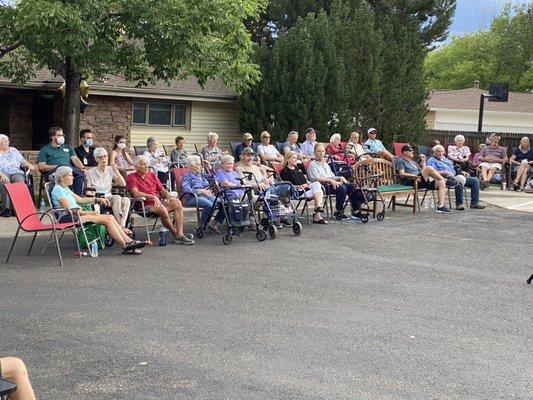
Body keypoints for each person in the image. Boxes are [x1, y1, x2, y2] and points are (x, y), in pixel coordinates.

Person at [50, 166, 147, 254]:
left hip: (77, 215)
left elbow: (81, 199)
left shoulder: (66, 189)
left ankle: (129, 242)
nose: (73, 177)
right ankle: (126, 245)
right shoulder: (58, 189)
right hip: (69, 217)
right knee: (107, 219)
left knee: (110, 217)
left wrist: (97, 199)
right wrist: (90, 212)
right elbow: (70, 210)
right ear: (62, 178)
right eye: (70, 175)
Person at [126, 155, 194, 245]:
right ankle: (175, 234)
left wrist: (168, 195)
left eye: (147, 164)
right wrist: (152, 196)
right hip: (145, 205)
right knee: (162, 210)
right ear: (136, 167)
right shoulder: (131, 177)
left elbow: (161, 190)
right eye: (143, 164)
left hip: (159, 203)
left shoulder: (152, 175)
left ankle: (180, 234)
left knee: (177, 203)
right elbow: (136, 193)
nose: (147, 166)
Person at [307, 144, 362, 220]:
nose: (321, 153)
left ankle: (355, 211)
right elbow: (316, 179)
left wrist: (339, 177)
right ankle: (338, 211)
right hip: (321, 186)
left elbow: (332, 176)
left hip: (332, 183)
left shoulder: (325, 164)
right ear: (314, 152)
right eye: (319, 151)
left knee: (353, 186)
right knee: (341, 188)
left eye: (323, 151)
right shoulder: (312, 165)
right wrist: (330, 180)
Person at [395, 144, 451, 213]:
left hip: (420, 181)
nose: (412, 152)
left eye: (413, 150)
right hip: (410, 181)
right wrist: (414, 176)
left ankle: (441, 207)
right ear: (404, 152)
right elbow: (402, 174)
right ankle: (443, 179)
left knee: (441, 183)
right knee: (430, 169)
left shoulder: (413, 162)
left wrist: (423, 161)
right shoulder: (401, 161)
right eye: (410, 150)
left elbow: (423, 172)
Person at [85, 147, 132, 230]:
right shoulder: (90, 172)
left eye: (105, 156)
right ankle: (121, 228)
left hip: (109, 197)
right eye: (101, 157)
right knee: (117, 197)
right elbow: (88, 191)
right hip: (99, 198)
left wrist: (116, 170)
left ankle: (121, 226)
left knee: (126, 200)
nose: (104, 159)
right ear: (96, 159)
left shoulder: (110, 169)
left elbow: (123, 184)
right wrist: (95, 198)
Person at [427, 145, 485, 210]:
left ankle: (474, 203)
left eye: (441, 151)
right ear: (434, 152)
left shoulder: (447, 160)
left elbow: (454, 169)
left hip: (454, 176)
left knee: (474, 180)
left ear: (444, 152)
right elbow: (432, 172)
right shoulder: (431, 160)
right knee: (458, 180)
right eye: (438, 151)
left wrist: (462, 172)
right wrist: (444, 173)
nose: (440, 153)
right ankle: (459, 204)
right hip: (442, 179)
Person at [280, 151, 327, 224]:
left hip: (306, 189)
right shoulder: (285, 171)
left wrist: (309, 183)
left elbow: (305, 180)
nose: (296, 159)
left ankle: (318, 207)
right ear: (288, 159)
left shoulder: (297, 168)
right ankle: (317, 214)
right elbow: (287, 186)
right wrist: (301, 186)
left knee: (317, 184)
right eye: (294, 158)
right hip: (298, 191)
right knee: (318, 191)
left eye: (296, 158)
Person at [37, 126, 86, 195]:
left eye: (62, 135)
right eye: (59, 135)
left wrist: (82, 168)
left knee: (80, 174)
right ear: (52, 137)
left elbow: (75, 159)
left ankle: (77, 198)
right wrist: (57, 166)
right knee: (64, 167)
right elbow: (41, 167)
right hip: (54, 171)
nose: (62, 137)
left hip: (68, 170)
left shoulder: (68, 147)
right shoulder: (45, 150)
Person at [182, 155, 224, 234]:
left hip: (206, 195)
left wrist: (209, 167)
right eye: (198, 164)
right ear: (191, 166)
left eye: (200, 164)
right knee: (209, 205)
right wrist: (200, 191)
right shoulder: (187, 176)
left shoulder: (201, 174)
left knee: (224, 203)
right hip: (193, 197)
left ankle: (214, 222)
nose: (200, 166)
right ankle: (200, 226)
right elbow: (186, 189)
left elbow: (215, 178)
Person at [0, 134, 35, 217]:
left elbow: (22, 161)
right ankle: (7, 209)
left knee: (19, 181)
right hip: (2, 174)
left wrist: (29, 164)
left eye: (7, 141)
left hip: (16, 172)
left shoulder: (13, 150)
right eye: (4, 141)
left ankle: (17, 209)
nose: (7, 143)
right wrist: (2, 175)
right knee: (6, 182)